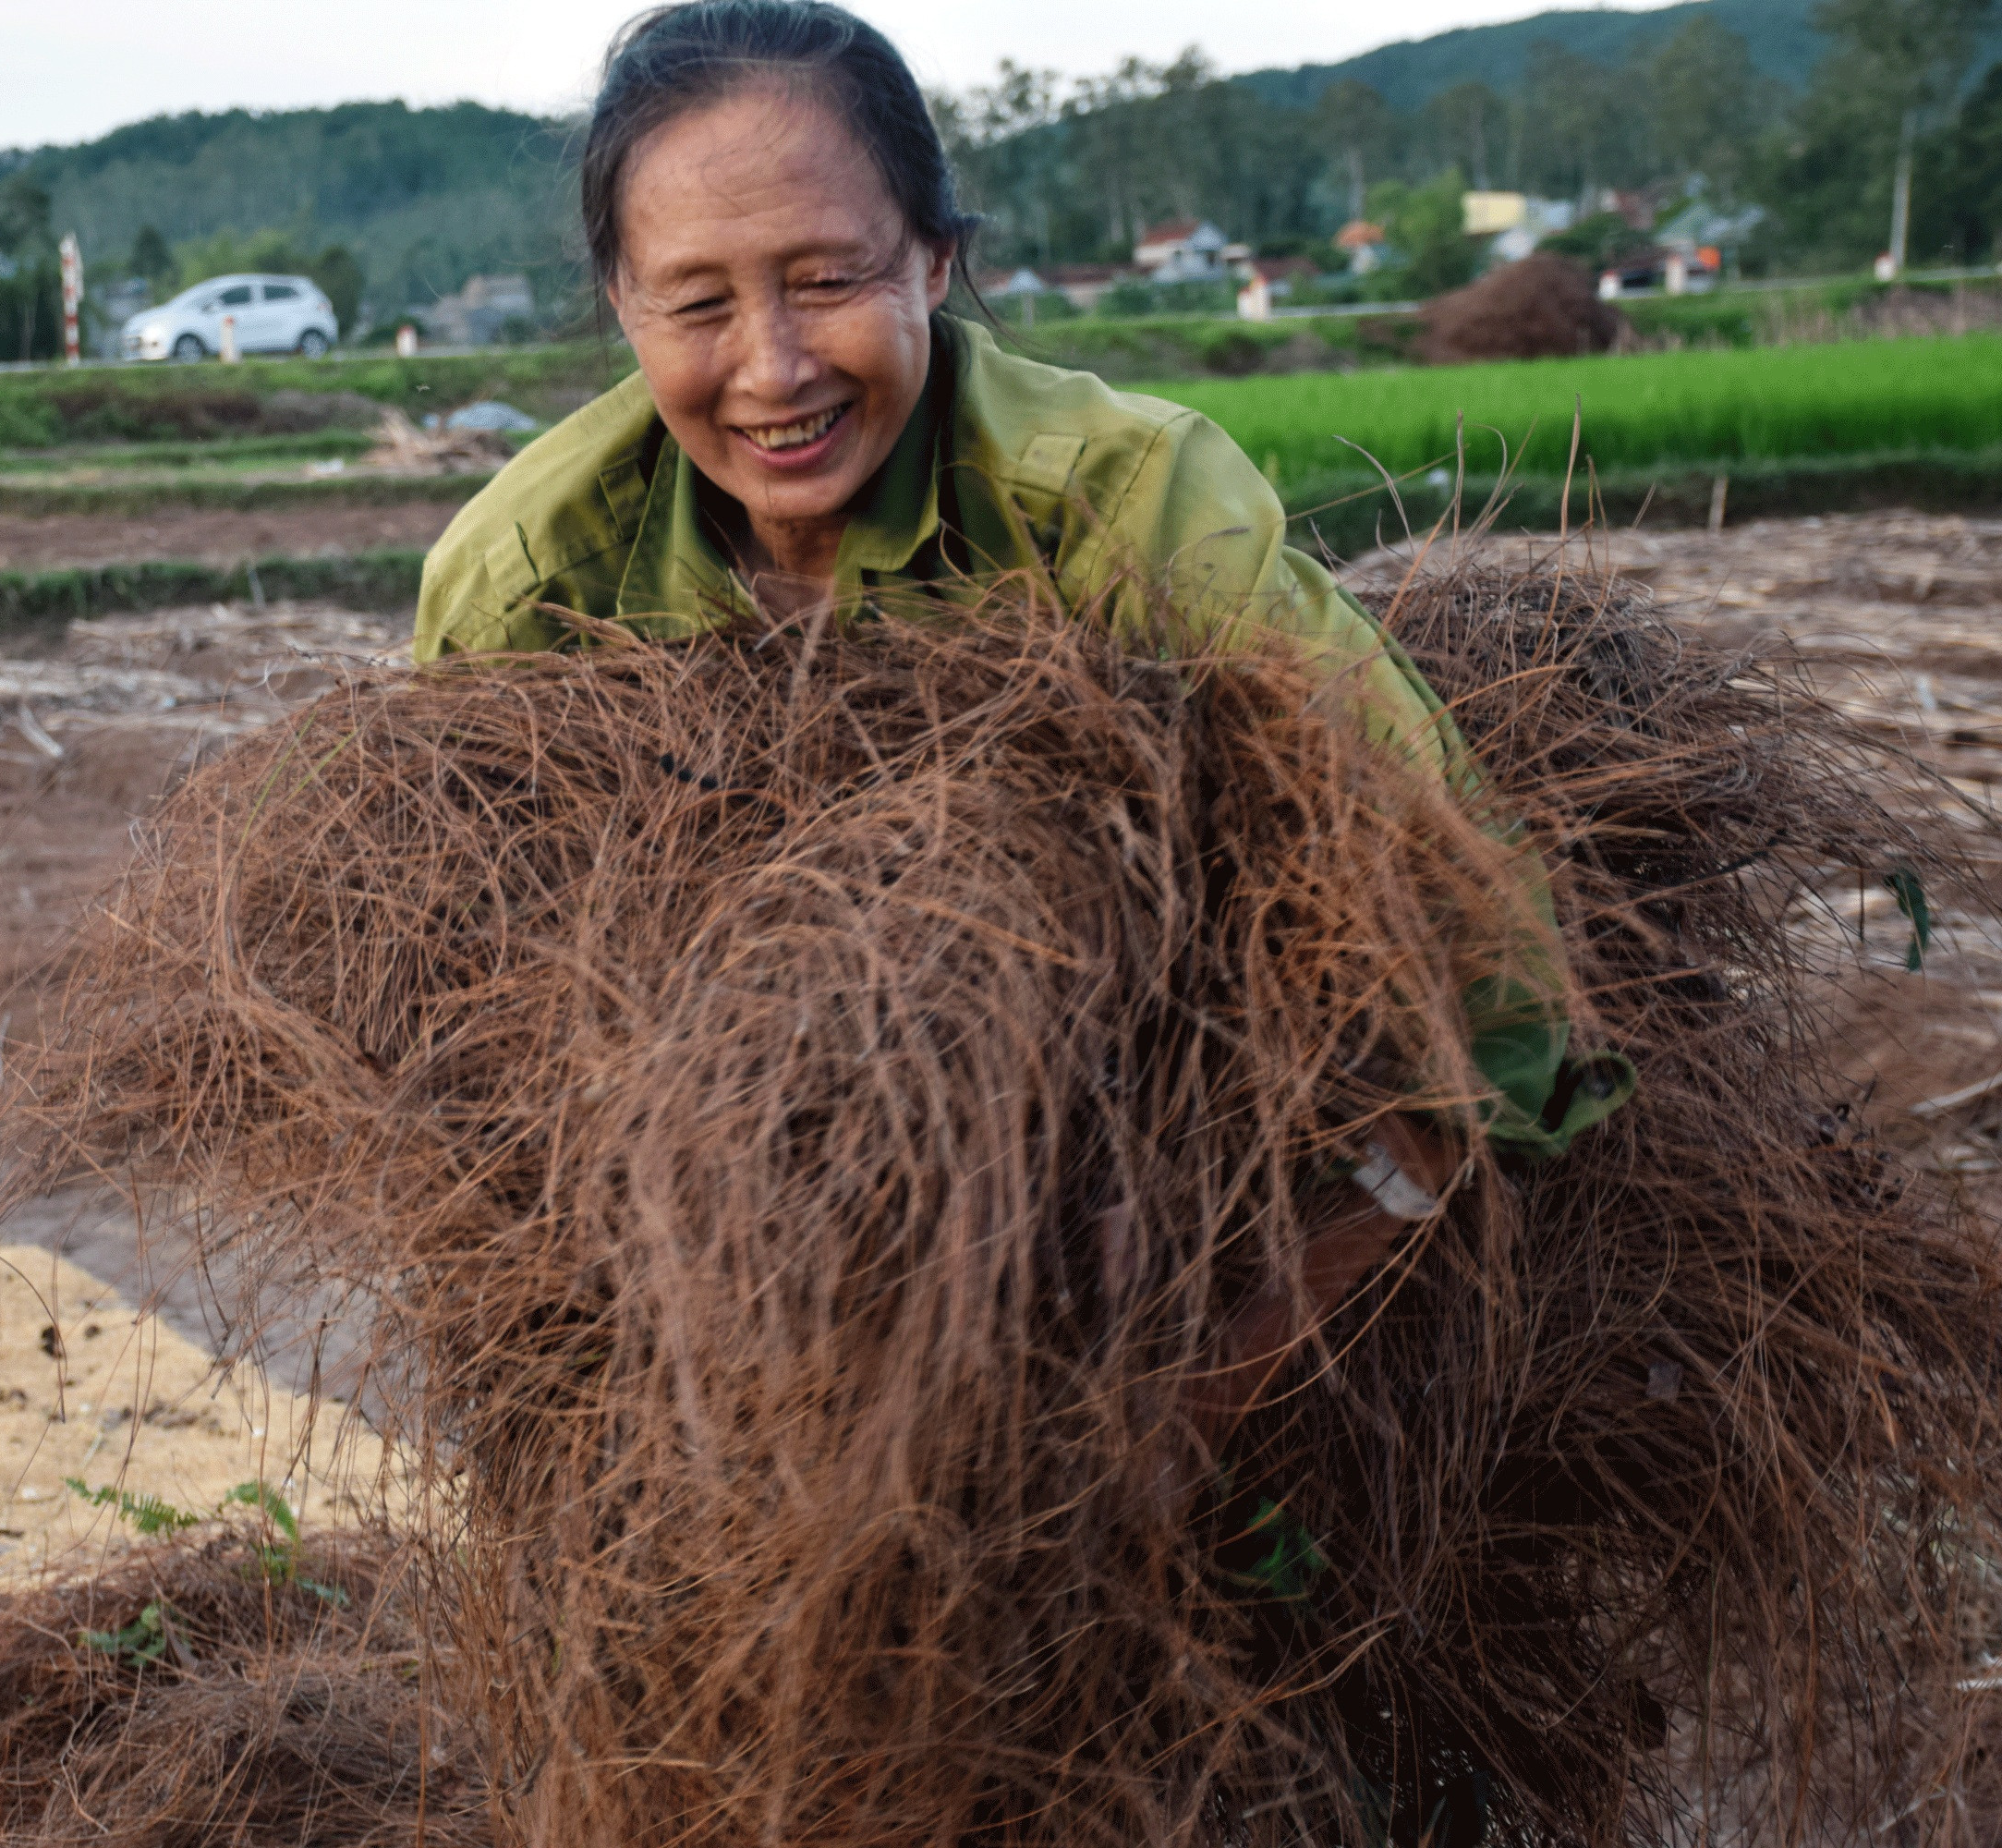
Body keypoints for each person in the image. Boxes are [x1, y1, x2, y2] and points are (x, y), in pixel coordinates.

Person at [412, 0, 1630, 1689]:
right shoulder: (526, 591)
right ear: (620, 308)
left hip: (1203, 1246)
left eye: (829, 278)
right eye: (696, 303)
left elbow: (1492, 974)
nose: (770, 370)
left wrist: (1210, 1382)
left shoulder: (1120, 512)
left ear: (935, 258)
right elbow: (469, 1058)